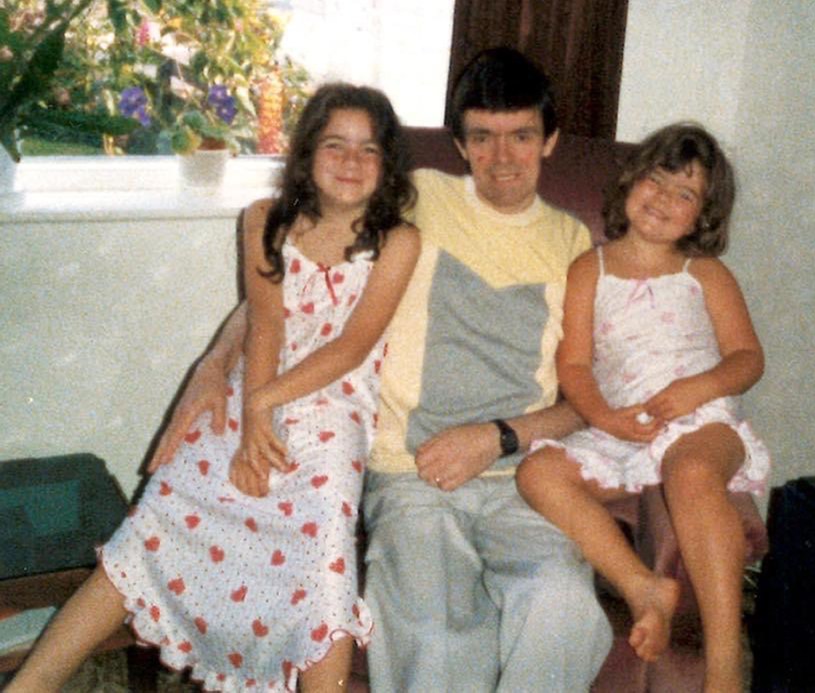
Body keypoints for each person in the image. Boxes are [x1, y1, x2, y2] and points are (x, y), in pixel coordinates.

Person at [141, 47, 614, 691]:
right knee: (433, 634)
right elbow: (288, 285)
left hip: (521, 475)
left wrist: (497, 436)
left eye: (522, 136)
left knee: (562, 608)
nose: (502, 159)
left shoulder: (575, 245)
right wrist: (213, 362)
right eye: (482, 137)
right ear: (460, 143)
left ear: (550, 140)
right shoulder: (408, 200)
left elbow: (586, 394)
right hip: (409, 472)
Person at [6, 83, 420, 693]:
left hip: (334, 404)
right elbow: (267, 323)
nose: (351, 162)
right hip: (257, 376)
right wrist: (253, 420)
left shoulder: (397, 241)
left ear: (387, 166)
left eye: (368, 150)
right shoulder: (264, 219)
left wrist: (265, 404)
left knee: (321, 556)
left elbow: (351, 347)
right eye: (335, 145)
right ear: (306, 154)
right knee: (161, 514)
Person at [516, 122, 771, 693]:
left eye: (685, 194)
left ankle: (725, 667)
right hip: (620, 428)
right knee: (538, 472)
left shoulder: (704, 274)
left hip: (701, 422)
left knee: (692, 471)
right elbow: (575, 366)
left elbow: (747, 359)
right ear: (630, 182)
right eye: (656, 181)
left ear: (702, 217)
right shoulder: (590, 270)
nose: (663, 200)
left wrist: (696, 390)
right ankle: (642, 587)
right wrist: (604, 418)